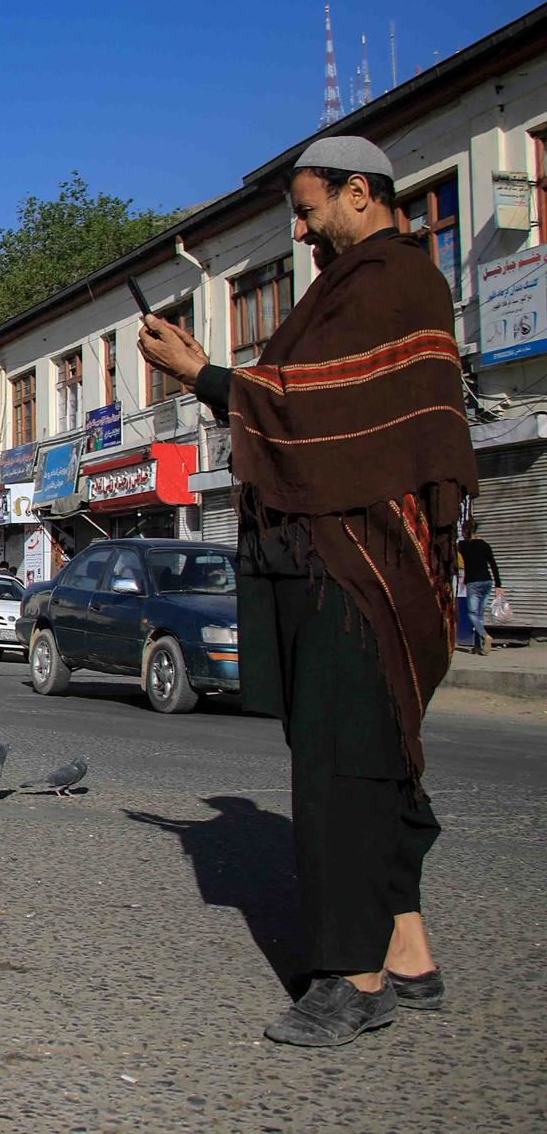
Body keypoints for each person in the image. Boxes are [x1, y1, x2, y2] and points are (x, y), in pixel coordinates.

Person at [140, 134, 475, 1047]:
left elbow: (322, 408)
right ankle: (408, 954)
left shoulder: (392, 281)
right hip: (323, 558)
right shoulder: (348, 285)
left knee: (341, 769)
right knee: (367, 757)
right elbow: (293, 395)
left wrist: (202, 375)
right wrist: (210, 369)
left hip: (357, 567)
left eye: (309, 204)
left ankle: (352, 980)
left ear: (361, 193)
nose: (300, 224)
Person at [457, 520, 503, 656]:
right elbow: (493, 565)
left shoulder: (462, 545)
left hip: (474, 583)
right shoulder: (485, 545)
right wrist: (498, 585)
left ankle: (485, 636)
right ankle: (478, 647)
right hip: (487, 582)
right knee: (479, 616)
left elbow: (458, 560)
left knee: (472, 614)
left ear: (465, 531)